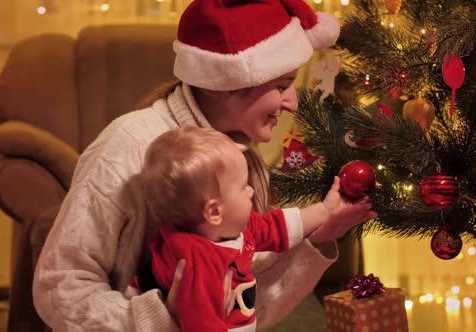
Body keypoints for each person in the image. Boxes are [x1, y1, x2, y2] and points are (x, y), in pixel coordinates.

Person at [33, 0, 378, 331]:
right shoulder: (127, 147)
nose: (292, 103)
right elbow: (59, 289)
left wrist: (322, 236)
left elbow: (243, 305)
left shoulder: (236, 152)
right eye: (282, 85)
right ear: (228, 85)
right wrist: (163, 316)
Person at [127, 126, 370, 331]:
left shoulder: (232, 226)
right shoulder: (199, 264)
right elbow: (202, 325)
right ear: (214, 211)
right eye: (243, 187)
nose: (251, 191)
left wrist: (326, 209)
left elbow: (275, 227)